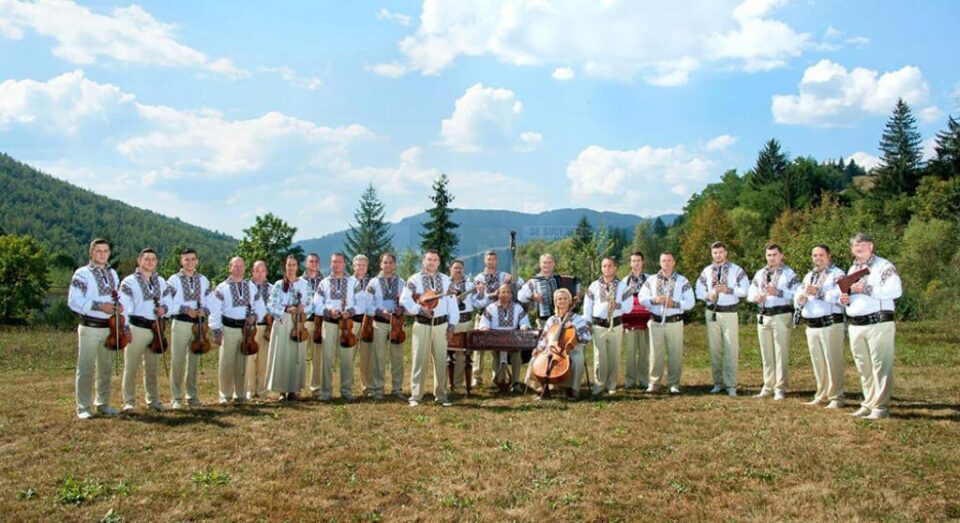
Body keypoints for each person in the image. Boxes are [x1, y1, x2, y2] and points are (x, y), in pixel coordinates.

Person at [841, 232, 902, 420]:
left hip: (878, 322)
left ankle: (880, 408)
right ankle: (868, 403)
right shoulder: (852, 269)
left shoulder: (884, 266)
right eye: (855, 245)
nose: (858, 248)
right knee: (863, 367)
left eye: (863, 244)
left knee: (880, 366)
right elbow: (851, 294)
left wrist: (866, 288)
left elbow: (895, 291)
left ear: (871, 247)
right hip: (857, 324)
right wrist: (845, 299)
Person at [68, 238, 122, 419]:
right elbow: (74, 301)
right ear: (91, 253)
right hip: (90, 326)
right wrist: (100, 306)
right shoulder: (82, 274)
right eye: (98, 251)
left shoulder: (113, 274)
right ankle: (83, 407)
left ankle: (102, 403)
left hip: (109, 328)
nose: (102, 254)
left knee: (105, 368)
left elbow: (116, 297)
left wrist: (118, 306)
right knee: (85, 368)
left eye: (106, 251)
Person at [399, 250, 459, 407]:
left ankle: (441, 395)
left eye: (435, 260)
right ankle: (415, 396)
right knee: (419, 360)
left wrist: (452, 324)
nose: (432, 262)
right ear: (423, 261)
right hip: (422, 324)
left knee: (441, 360)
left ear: (439, 263)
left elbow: (452, 304)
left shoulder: (446, 280)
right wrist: (419, 310)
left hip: (441, 325)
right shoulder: (414, 279)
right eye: (429, 259)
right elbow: (404, 299)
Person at [118, 248, 174, 412]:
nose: (150, 262)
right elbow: (124, 307)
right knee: (131, 366)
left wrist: (164, 309)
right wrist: (125, 328)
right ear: (139, 261)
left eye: (153, 259)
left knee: (151, 367)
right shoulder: (129, 282)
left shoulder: (162, 282)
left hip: (156, 329)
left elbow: (170, 301)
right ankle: (128, 401)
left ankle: (153, 400)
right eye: (147, 259)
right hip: (136, 327)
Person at [794, 245, 846, 409]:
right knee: (818, 361)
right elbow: (798, 293)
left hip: (830, 323)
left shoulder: (837, 274)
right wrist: (800, 298)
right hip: (812, 325)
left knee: (833, 361)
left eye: (821, 255)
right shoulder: (810, 275)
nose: (817, 258)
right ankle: (821, 394)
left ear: (829, 256)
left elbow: (840, 295)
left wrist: (819, 292)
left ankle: (837, 397)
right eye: (814, 255)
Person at [747, 244, 800, 401]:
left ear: (781, 255)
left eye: (775, 255)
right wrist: (754, 297)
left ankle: (780, 388)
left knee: (780, 353)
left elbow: (797, 294)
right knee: (766, 354)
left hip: (781, 314)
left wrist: (779, 292)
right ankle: (768, 386)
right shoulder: (760, 273)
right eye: (769, 255)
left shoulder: (789, 273)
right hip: (763, 315)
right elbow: (751, 291)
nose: (771, 258)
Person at [696, 241, 749, 397]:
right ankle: (718, 383)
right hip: (711, 312)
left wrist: (729, 289)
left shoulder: (736, 270)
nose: (717, 255)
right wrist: (708, 295)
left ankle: (731, 385)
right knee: (715, 349)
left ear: (726, 253)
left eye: (720, 252)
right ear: (711, 254)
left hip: (729, 313)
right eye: (714, 252)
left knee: (731, 349)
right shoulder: (706, 271)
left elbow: (745, 290)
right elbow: (698, 289)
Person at [210, 257, 266, 404]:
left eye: (241, 266)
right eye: (235, 266)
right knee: (226, 363)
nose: (239, 268)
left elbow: (260, 305)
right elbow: (214, 310)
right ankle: (225, 395)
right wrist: (216, 330)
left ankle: (240, 394)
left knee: (242, 363)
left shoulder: (251, 287)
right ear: (230, 268)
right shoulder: (222, 288)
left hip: (246, 330)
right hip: (228, 328)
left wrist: (255, 316)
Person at [638, 252, 695, 394]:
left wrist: (674, 304)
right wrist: (654, 300)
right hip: (655, 322)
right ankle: (654, 383)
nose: (666, 263)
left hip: (674, 322)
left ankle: (674, 384)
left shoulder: (682, 281)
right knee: (655, 354)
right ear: (660, 262)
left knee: (675, 353)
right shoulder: (651, 280)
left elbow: (690, 303)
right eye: (663, 260)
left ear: (674, 262)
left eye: (669, 260)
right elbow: (641, 298)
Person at [166, 248, 213, 408]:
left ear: (197, 261)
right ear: (181, 261)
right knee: (178, 360)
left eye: (193, 259)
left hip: (198, 325)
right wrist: (185, 309)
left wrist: (204, 310)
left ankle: (192, 396)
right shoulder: (173, 280)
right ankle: (176, 398)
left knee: (194, 361)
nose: (190, 262)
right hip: (180, 322)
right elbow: (168, 302)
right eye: (186, 259)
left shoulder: (203, 280)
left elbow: (210, 300)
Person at [525, 288, 591, 400]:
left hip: (572, 348)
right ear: (555, 302)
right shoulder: (551, 320)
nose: (562, 301)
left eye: (565, 298)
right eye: (559, 299)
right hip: (552, 348)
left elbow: (587, 336)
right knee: (535, 359)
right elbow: (544, 338)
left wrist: (574, 327)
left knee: (576, 359)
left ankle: (570, 390)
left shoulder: (577, 318)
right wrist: (538, 349)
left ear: (570, 301)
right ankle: (542, 388)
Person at [583, 257, 631, 396]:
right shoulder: (593, 286)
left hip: (615, 325)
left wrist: (618, 305)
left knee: (614, 356)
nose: (607, 268)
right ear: (601, 268)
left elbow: (628, 307)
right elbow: (587, 307)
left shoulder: (623, 286)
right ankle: (599, 384)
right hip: (599, 326)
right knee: (599, 357)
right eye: (604, 266)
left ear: (615, 268)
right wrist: (587, 322)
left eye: (610, 266)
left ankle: (611, 385)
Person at [265, 255, 312, 401]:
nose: (291, 268)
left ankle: (293, 390)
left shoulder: (305, 284)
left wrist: (303, 308)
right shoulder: (279, 284)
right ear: (285, 267)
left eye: (293, 265)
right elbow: (270, 305)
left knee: (296, 356)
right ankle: (282, 391)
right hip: (283, 322)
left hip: (298, 323)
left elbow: (311, 303)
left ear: (298, 267)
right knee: (282, 355)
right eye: (288, 265)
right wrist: (285, 308)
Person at [312, 253, 356, 401]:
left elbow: (361, 302)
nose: (336, 264)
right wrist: (328, 311)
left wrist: (349, 311)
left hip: (347, 324)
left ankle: (346, 391)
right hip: (329, 323)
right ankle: (325, 392)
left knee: (347, 359)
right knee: (327, 359)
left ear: (345, 264)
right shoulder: (323, 282)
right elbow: (316, 303)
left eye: (339, 262)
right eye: (333, 262)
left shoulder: (352, 282)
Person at [366, 253, 406, 400]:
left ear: (395, 265)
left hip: (397, 324)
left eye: (391, 262)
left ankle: (397, 389)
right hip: (380, 323)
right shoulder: (373, 283)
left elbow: (406, 301)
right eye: (385, 262)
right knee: (379, 357)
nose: (388, 265)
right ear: (381, 264)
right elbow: (368, 305)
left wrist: (402, 309)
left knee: (397, 357)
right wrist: (379, 312)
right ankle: (378, 390)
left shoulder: (402, 282)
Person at [478, 283, 531, 391]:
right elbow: (484, 323)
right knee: (497, 354)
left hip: (513, 340)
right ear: (498, 294)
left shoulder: (518, 308)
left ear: (511, 295)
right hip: (496, 340)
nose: (505, 294)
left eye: (508, 292)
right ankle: (499, 382)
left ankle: (515, 383)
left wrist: (524, 326)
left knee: (517, 355)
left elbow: (524, 322)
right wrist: (484, 327)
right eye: (503, 292)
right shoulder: (490, 308)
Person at [471, 250, 512, 387]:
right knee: (478, 347)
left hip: (498, 316)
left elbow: (519, 282)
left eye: (493, 259)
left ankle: (498, 378)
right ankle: (476, 377)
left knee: (498, 347)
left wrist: (511, 279)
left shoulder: (502, 276)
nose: (491, 261)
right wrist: (492, 294)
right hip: (482, 313)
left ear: (497, 261)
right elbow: (477, 301)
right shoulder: (479, 278)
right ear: (485, 260)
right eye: (489, 259)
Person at [448, 259, 479, 390]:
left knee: (463, 355)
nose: (458, 270)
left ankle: (458, 384)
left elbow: (478, 303)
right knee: (446, 354)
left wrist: (481, 292)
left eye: (460, 268)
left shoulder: (470, 285)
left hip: (466, 322)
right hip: (449, 323)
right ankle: (444, 384)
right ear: (450, 270)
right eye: (455, 268)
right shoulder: (444, 285)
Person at [622, 251, 651, 390]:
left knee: (644, 354)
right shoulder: (624, 281)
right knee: (630, 354)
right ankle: (630, 381)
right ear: (630, 263)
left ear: (643, 262)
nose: (636, 263)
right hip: (629, 323)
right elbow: (620, 300)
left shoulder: (650, 279)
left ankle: (644, 380)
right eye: (633, 261)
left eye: (639, 260)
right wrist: (629, 290)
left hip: (647, 322)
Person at [350, 255, 375, 397]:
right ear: (353, 266)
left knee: (367, 356)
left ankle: (367, 387)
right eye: (358, 265)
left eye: (363, 265)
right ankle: (346, 387)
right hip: (352, 322)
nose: (361, 267)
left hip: (369, 322)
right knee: (349, 355)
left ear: (367, 266)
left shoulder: (373, 283)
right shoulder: (348, 282)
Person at [300, 253, 324, 396]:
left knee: (318, 356)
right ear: (306, 263)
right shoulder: (299, 281)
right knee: (299, 355)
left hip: (320, 322)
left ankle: (315, 388)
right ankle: (296, 387)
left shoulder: (326, 281)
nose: (313, 263)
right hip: (304, 322)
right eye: (311, 261)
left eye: (316, 261)